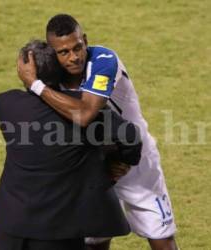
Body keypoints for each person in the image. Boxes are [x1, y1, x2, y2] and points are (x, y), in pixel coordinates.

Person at [17, 14, 178, 250]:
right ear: (52, 53)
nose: (74, 57)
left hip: (136, 161)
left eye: (77, 47)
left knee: (161, 239)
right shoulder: (51, 75)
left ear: (85, 40)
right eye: (64, 52)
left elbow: (85, 114)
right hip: (92, 164)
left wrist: (36, 85)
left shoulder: (103, 60)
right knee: (93, 242)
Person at [0, 40, 142, 250]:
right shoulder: (87, 111)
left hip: (10, 226)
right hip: (60, 231)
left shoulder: (5, 103)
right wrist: (118, 160)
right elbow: (131, 135)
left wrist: (33, 84)